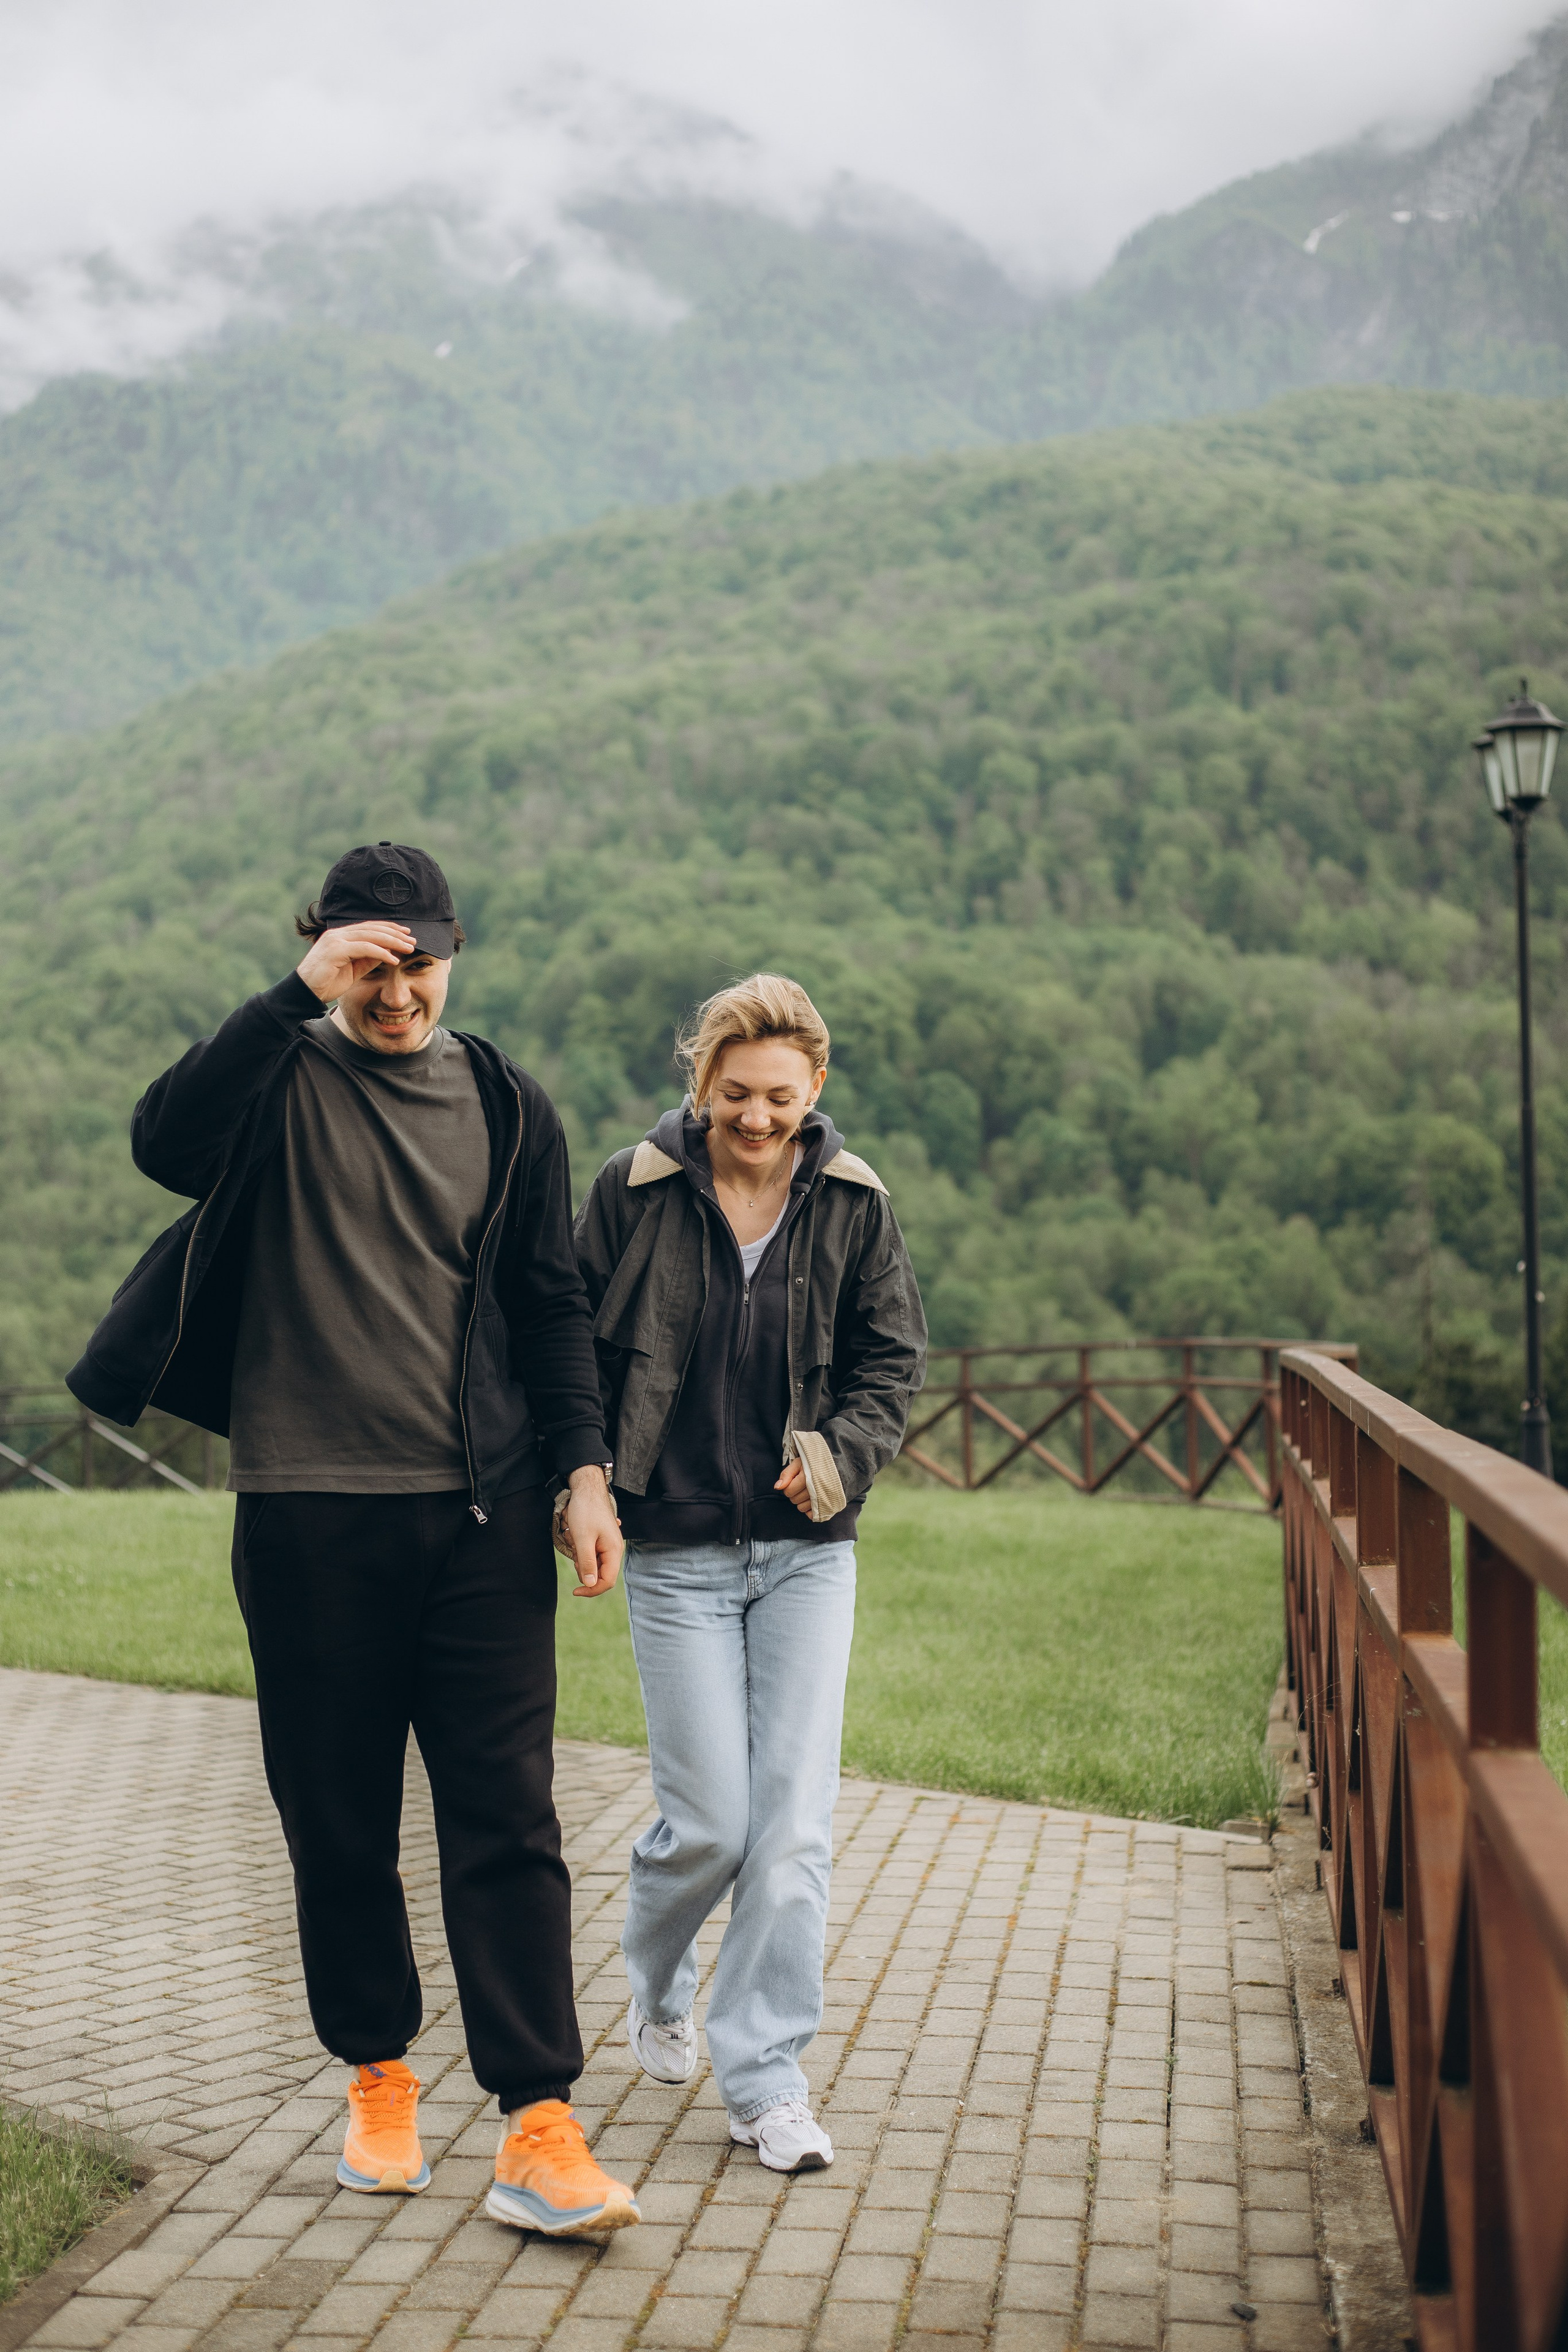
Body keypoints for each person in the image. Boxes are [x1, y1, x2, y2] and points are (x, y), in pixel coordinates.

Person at [68, 842, 639, 2241]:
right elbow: (164, 1144)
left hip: (482, 1513)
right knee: (336, 1820)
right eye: (369, 962)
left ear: (456, 951)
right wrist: (290, 998)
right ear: (326, 952)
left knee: (507, 1820)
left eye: (419, 960)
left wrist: (583, 1469)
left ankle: (537, 2123)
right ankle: (378, 2076)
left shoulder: (507, 1101)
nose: (398, 988)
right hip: (308, 1511)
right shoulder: (272, 1079)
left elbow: (552, 1301)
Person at [573, 973, 927, 2173]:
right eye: (735, 1095)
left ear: (814, 1088)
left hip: (803, 1557)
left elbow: (892, 1361)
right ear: (700, 1084)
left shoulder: (853, 1204)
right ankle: (656, 1976)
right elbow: (565, 1341)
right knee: (711, 1826)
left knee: (789, 1833)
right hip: (671, 1552)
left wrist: (836, 1457)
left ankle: (765, 2080)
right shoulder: (634, 1191)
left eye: (780, 1096)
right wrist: (586, 1486)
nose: (758, 1118)